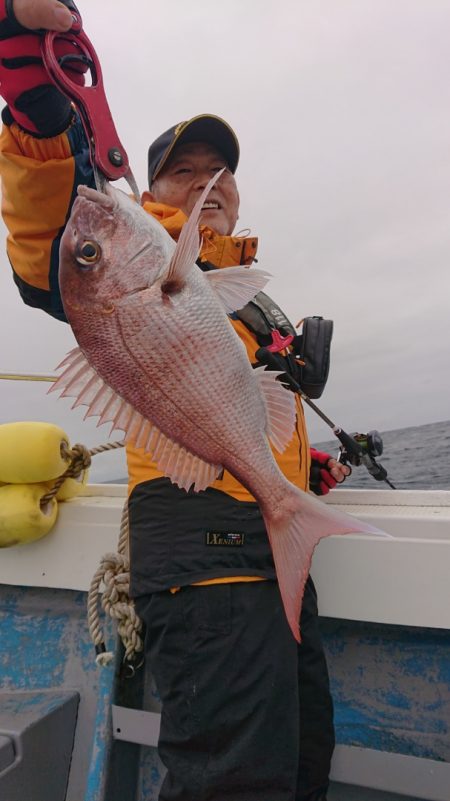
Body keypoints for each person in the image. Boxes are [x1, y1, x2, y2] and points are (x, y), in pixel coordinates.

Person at [0, 2, 350, 799]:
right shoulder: (120, 265)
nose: (207, 184)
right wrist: (38, 118)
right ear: (149, 192)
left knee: (303, 763)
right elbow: (42, 240)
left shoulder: (239, 297)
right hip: (200, 548)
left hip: (270, 541)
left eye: (219, 172)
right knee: (234, 780)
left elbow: (234, 402)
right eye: (186, 173)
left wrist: (307, 464)